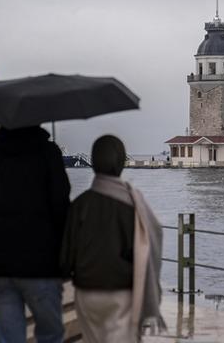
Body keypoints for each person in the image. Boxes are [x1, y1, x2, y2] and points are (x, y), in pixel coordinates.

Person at [60, 135, 165, 342]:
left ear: (93, 162)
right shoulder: (132, 205)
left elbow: (65, 256)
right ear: (121, 163)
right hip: (121, 293)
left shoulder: (80, 205)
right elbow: (150, 242)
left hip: (86, 292)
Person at [0, 126, 70, 343]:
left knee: (8, 338)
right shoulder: (48, 153)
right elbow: (61, 205)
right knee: (50, 335)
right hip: (40, 261)